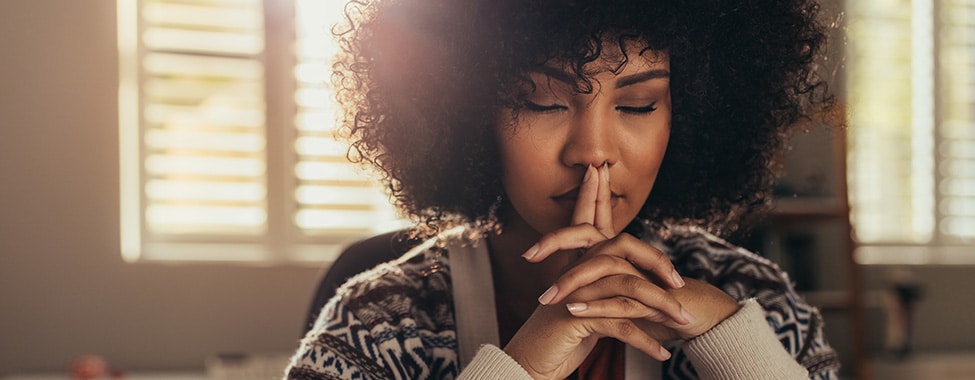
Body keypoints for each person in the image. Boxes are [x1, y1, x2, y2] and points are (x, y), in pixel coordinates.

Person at [285, 0, 841, 378]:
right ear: (466, 113)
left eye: (637, 105)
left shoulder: (754, 300)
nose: (593, 150)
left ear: (687, 115)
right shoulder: (375, 323)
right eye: (543, 102)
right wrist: (522, 366)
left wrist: (731, 342)